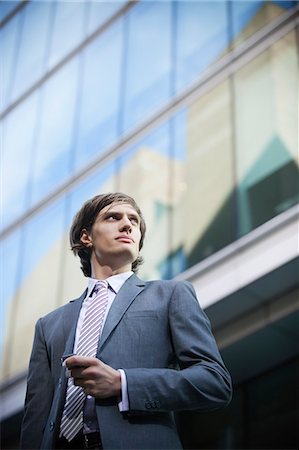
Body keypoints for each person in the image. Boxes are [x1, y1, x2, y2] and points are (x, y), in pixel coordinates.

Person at [20, 192, 232, 450]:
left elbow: (214, 382)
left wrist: (123, 383)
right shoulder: (48, 325)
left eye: (134, 220)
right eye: (113, 217)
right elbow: (35, 418)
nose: (127, 224)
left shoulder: (171, 295)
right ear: (86, 237)